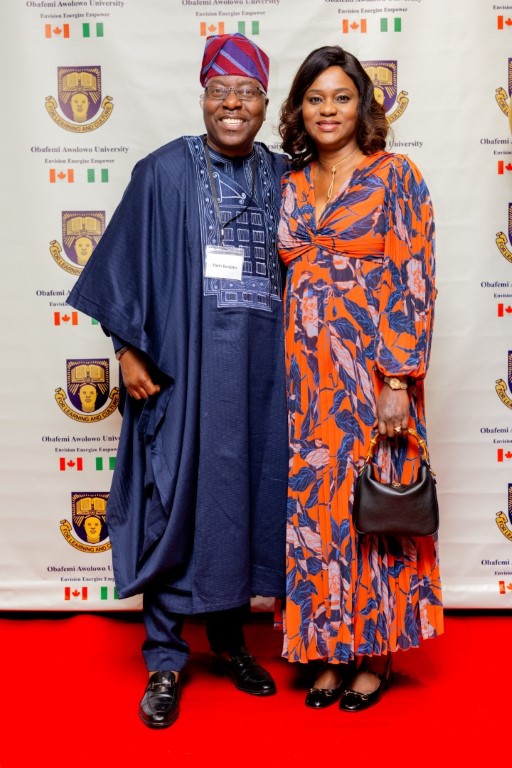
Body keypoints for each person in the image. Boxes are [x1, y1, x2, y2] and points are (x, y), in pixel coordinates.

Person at [67, 33, 289, 728]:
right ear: (203, 98)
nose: (232, 104)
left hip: (261, 376)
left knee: (241, 501)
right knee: (175, 500)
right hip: (183, 372)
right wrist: (126, 351)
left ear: (264, 103)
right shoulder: (162, 172)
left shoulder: (285, 176)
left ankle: (229, 640)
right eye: (220, 91)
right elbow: (123, 267)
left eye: (246, 92)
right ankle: (165, 658)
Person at [277, 45, 443, 712]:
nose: (328, 110)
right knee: (316, 511)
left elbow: (414, 275)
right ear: (299, 109)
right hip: (303, 380)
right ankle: (326, 648)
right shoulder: (290, 185)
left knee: (375, 510)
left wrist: (397, 378)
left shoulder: (396, 176)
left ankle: (375, 653)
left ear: (362, 106)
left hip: (370, 375)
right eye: (315, 98)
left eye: (341, 97)